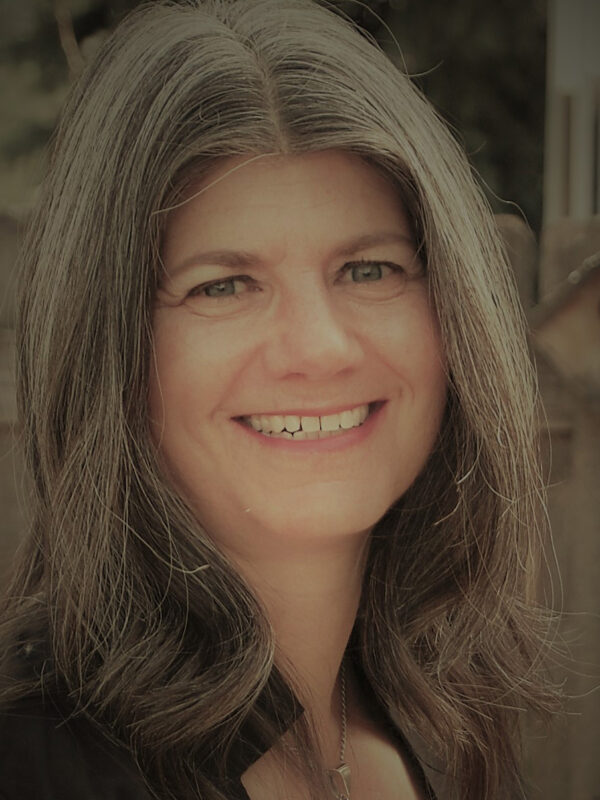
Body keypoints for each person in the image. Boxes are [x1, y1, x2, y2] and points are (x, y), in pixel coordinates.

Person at [0, 1, 557, 798]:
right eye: (222, 285)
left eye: (370, 270)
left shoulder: (449, 733)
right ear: (109, 346)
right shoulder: (37, 761)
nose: (320, 347)